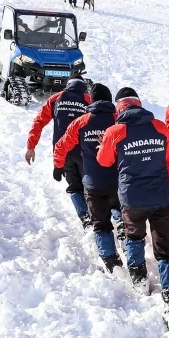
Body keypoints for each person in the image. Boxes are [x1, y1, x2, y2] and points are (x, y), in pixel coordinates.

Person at [97, 87, 169, 324]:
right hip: (161, 197)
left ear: (119, 108)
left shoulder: (115, 131)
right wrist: (168, 188)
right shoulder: (159, 127)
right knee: (166, 248)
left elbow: (104, 161)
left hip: (132, 198)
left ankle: (139, 280)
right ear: (139, 104)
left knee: (134, 237)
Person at [54, 83, 124, 271]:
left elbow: (62, 145)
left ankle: (112, 264)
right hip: (118, 180)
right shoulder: (118, 119)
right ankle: (123, 229)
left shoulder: (82, 122)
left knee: (100, 224)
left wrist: (58, 165)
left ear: (91, 100)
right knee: (119, 209)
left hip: (93, 182)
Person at [25, 77, 92, 226]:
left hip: (62, 152)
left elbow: (39, 122)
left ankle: (84, 218)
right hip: (85, 152)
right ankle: (96, 216)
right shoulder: (88, 99)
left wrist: (31, 146)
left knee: (74, 186)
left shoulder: (56, 98)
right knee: (89, 185)